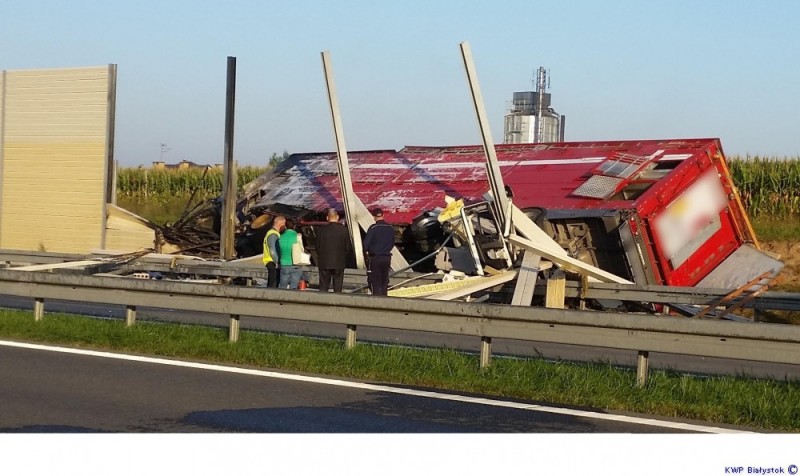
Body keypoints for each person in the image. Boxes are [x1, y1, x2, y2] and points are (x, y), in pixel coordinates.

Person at [315, 208, 352, 293]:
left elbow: (317, 246)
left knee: (323, 286)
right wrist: (342, 256)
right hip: (339, 261)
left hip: (324, 262)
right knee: (338, 286)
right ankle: (337, 302)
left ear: (327, 218)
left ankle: (322, 303)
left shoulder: (321, 230)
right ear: (338, 217)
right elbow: (348, 247)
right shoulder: (344, 230)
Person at [363, 207, 394, 296]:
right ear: (383, 215)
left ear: (373, 217)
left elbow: (366, 244)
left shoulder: (373, 228)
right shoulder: (390, 228)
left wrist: (367, 254)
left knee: (375, 281)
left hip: (375, 257)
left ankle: (376, 300)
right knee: (384, 281)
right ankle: (384, 298)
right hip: (387, 257)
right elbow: (392, 243)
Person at [277, 219, 303, 289]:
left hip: (284, 264)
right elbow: (301, 249)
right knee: (293, 287)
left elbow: (278, 250)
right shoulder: (297, 236)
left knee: (282, 286)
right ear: (294, 226)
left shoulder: (281, 237)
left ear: (285, 226)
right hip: (295, 263)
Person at [262, 215, 284, 288]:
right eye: (283, 225)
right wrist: (277, 262)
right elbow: (273, 251)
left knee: (273, 283)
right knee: (273, 285)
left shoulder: (271, 233)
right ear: (280, 224)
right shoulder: (273, 235)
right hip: (272, 262)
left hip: (271, 262)